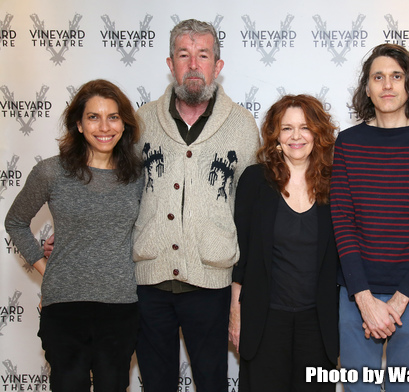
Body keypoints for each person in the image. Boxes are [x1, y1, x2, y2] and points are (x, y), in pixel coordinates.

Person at [132, 19, 260, 392]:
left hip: (212, 282)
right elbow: (121, 190)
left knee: (212, 382)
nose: (192, 65)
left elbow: (251, 207)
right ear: (170, 64)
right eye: (183, 55)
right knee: (156, 383)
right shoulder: (141, 122)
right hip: (150, 281)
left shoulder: (241, 124)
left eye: (202, 55)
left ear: (217, 66)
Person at [330, 43, 409, 392]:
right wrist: (364, 299)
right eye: (378, 77)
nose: (387, 85)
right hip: (355, 294)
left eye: (396, 76)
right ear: (367, 88)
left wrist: (401, 300)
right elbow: (342, 220)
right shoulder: (347, 143)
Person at [5, 79, 144, 392]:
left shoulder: (138, 175)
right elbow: (15, 221)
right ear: (79, 125)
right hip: (64, 308)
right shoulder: (51, 172)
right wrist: (45, 268)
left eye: (113, 116)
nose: (104, 126)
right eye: (93, 117)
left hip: (120, 307)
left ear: (124, 124)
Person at [228, 95, 339, 392]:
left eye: (305, 127)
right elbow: (242, 254)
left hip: (318, 323)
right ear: (275, 135)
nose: (296, 136)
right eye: (286, 128)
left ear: (317, 133)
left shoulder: (336, 182)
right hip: (265, 320)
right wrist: (236, 316)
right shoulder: (255, 180)